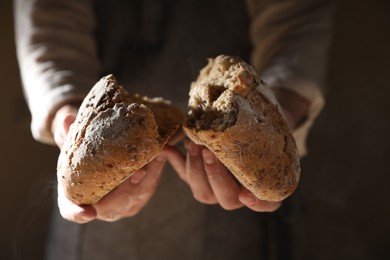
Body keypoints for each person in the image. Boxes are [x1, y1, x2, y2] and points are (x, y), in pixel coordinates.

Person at [14, 0, 334, 259]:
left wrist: (275, 122)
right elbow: (50, 19)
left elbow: (297, 21)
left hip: (237, 203)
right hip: (104, 212)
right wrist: (69, 123)